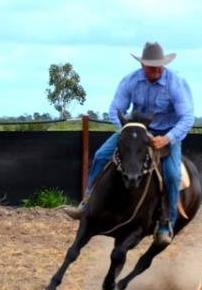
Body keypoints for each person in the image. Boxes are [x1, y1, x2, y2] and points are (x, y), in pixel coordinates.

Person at [64, 42, 194, 245]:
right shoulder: (130, 81)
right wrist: (126, 130)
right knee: (101, 155)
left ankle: (166, 223)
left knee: (172, 174)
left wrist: (167, 138)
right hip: (135, 130)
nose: (157, 70)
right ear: (142, 65)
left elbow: (187, 117)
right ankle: (87, 202)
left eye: (160, 65)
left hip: (166, 134)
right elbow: (115, 109)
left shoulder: (175, 83)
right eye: (152, 66)